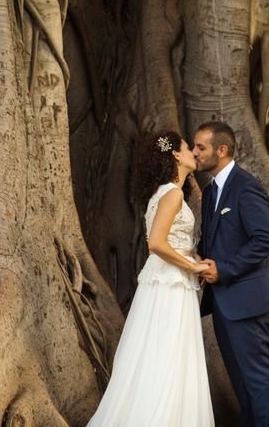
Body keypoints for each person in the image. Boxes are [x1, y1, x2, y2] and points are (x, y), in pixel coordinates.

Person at [87, 130, 215, 427]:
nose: (193, 154)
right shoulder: (171, 193)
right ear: (174, 155)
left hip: (166, 281)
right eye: (187, 149)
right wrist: (193, 267)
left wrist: (193, 257)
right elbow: (156, 243)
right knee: (169, 356)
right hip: (170, 284)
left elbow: (172, 240)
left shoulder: (165, 192)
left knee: (161, 355)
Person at [193, 121, 269, 427]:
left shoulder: (247, 187)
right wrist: (194, 259)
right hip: (220, 302)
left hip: (245, 300)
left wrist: (225, 269)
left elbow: (265, 239)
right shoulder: (209, 192)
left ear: (222, 150)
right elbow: (212, 240)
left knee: (257, 376)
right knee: (239, 379)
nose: (195, 153)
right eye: (193, 146)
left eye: (200, 147)